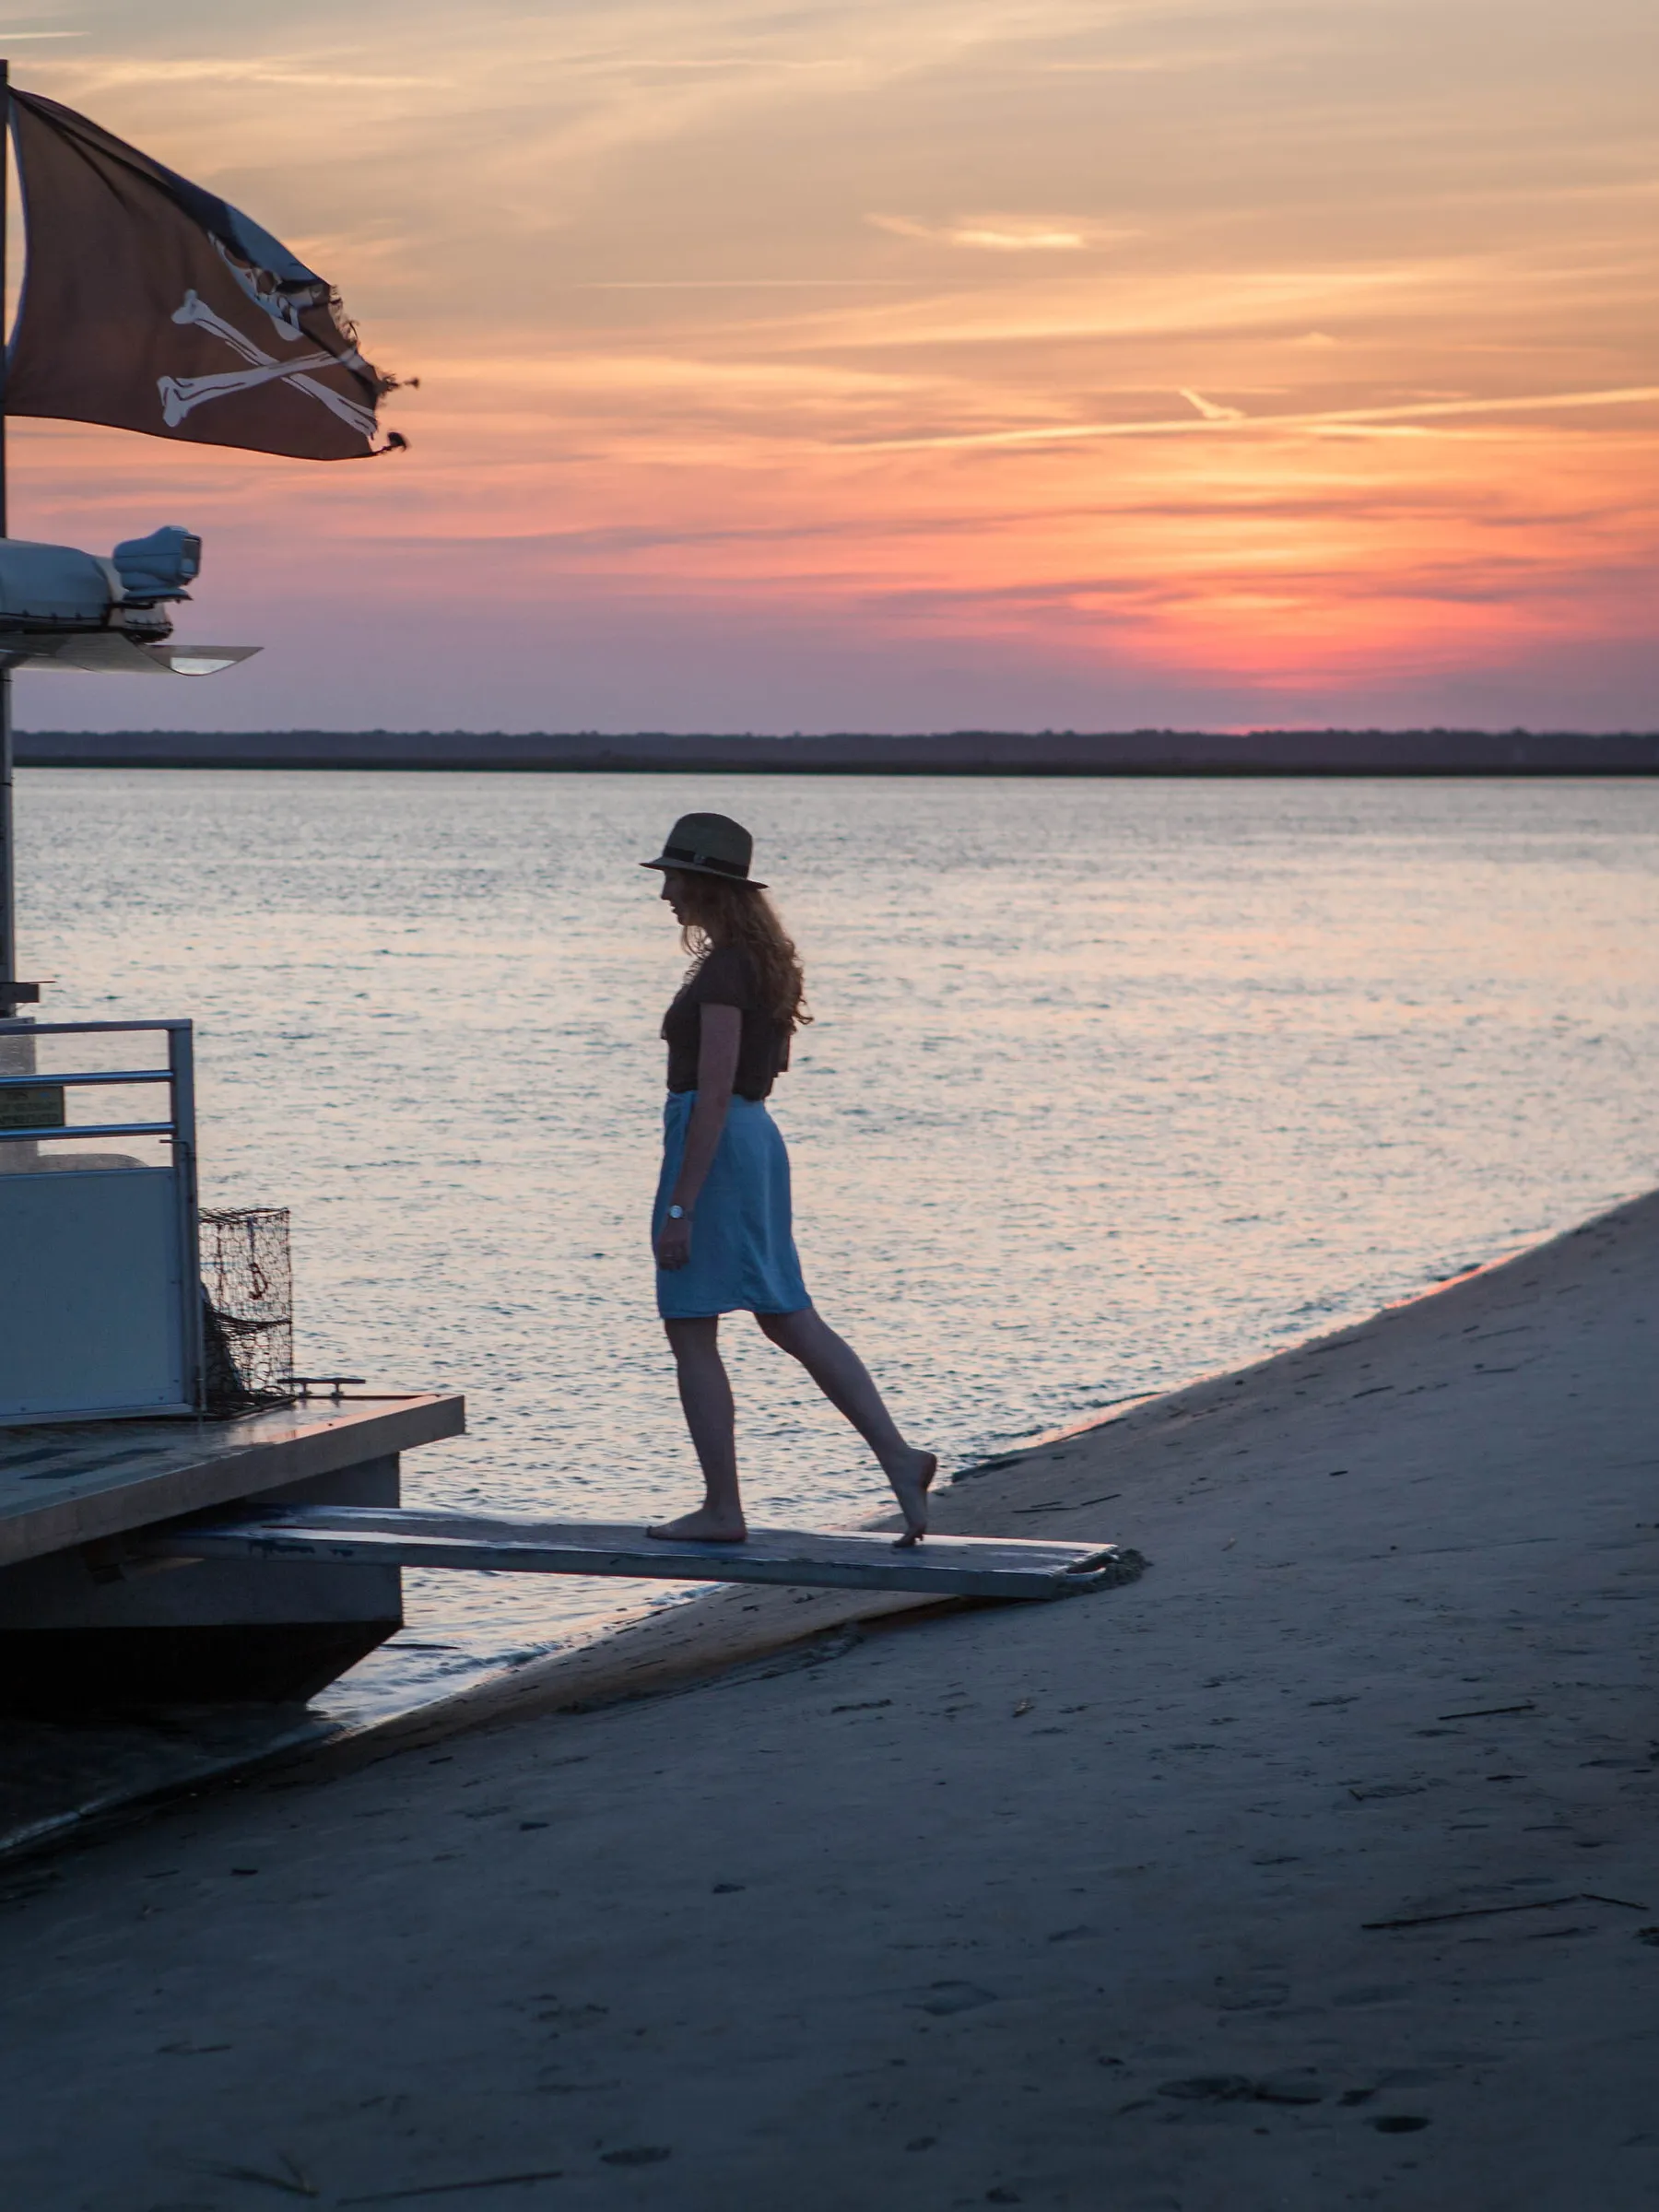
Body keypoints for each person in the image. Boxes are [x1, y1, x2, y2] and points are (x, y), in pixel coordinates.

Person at [641, 810, 936, 1547]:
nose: (665, 893)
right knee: (785, 1313)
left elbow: (711, 1094)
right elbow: (764, 1073)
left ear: (705, 884)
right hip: (754, 1138)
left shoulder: (725, 969)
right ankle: (899, 1459)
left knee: (691, 1323)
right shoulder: (762, 962)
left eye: (674, 878)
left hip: (717, 1141)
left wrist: (681, 1206)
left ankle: (722, 1509)